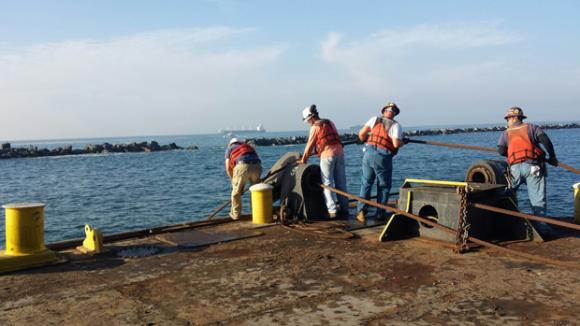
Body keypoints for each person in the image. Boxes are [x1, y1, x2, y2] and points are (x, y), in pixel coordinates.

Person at [497, 107, 558, 235]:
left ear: (513, 118)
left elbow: (501, 150)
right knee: (537, 199)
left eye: (507, 119)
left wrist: (514, 154)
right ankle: (542, 229)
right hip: (533, 167)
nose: (507, 121)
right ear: (521, 118)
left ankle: (502, 221)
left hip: (515, 169)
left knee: (507, 193)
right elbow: (545, 141)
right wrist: (552, 157)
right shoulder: (531, 128)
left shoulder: (506, 133)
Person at [298, 104, 349, 218]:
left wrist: (303, 159)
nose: (308, 122)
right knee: (341, 182)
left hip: (327, 156)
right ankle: (345, 208)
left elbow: (310, 145)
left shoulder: (315, 127)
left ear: (311, 118)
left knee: (327, 184)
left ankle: (332, 210)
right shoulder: (330, 122)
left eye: (307, 120)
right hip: (339, 153)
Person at [356, 102, 403, 223]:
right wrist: (402, 142)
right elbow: (396, 144)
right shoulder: (396, 126)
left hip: (368, 153)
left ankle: (361, 211)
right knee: (383, 185)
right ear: (395, 114)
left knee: (366, 183)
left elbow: (361, 134)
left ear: (383, 111)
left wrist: (364, 140)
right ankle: (380, 213)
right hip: (382, 157)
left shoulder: (374, 119)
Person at [225, 138, 262, 220]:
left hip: (243, 166)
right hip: (257, 166)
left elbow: (228, 167)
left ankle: (235, 215)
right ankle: (256, 213)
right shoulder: (248, 147)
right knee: (255, 191)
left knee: (236, 193)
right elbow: (253, 158)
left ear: (230, 144)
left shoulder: (230, 148)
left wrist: (233, 180)